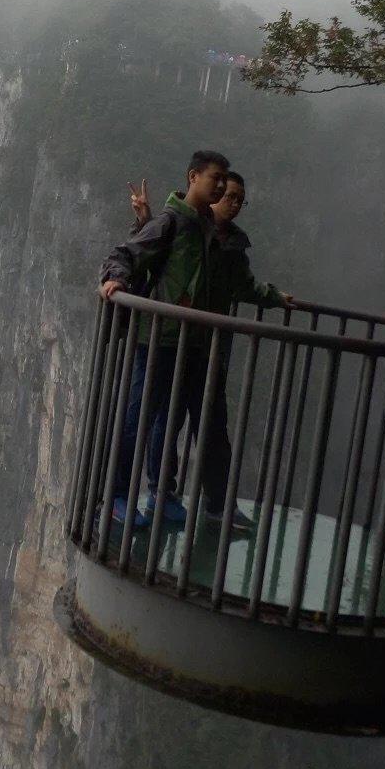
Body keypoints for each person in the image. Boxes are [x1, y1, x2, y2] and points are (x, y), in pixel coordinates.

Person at [128, 170, 291, 529]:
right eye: (228, 195)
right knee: (166, 420)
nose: (233, 204)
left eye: (239, 199)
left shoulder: (232, 244)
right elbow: (146, 258)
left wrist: (275, 297)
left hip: (208, 345)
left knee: (212, 423)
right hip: (174, 339)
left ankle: (217, 502)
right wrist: (142, 223)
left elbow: (245, 286)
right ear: (211, 192)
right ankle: (161, 493)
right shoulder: (186, 229)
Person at [99, 150, 230, 530]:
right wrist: (116, 278)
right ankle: (116, 496)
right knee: (136, 417)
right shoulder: (172, 221)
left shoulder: (206, 226)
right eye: (214, 178)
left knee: (168, 421)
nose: (220, 185)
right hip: (158, 338)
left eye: (224, 179)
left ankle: (162, 493)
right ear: (193, 177)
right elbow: (125, 254)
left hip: (190, 341)